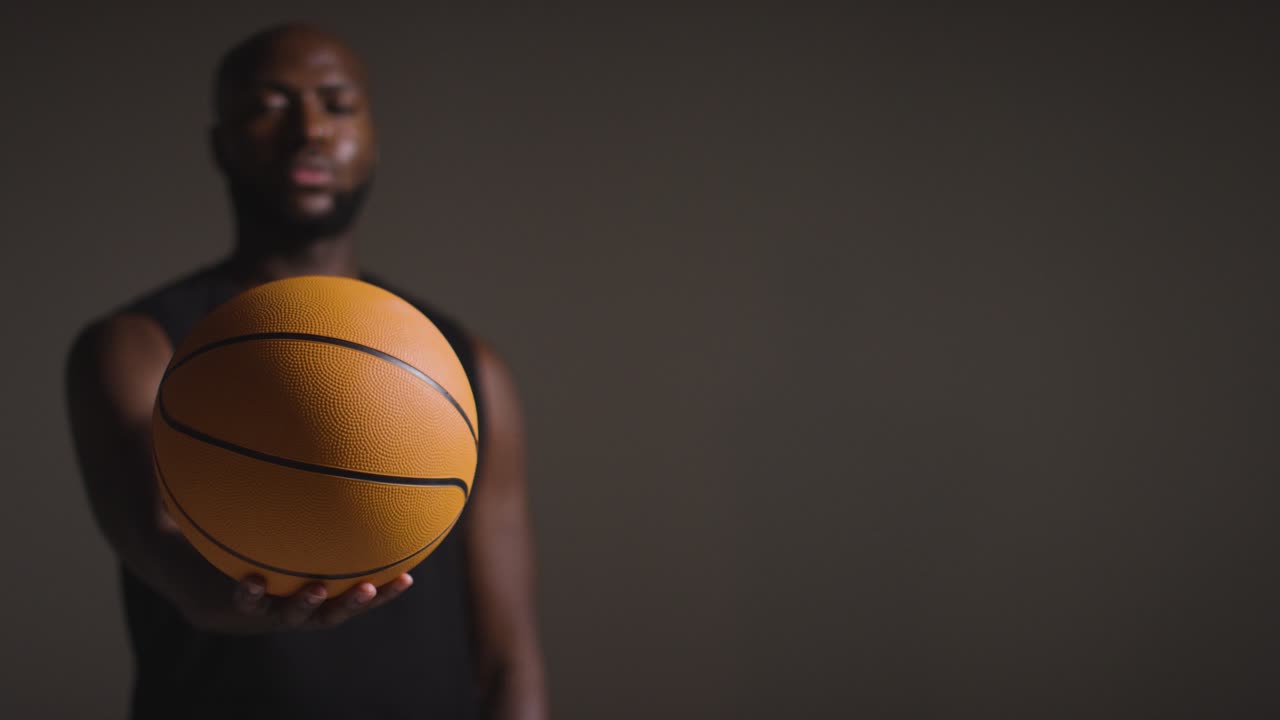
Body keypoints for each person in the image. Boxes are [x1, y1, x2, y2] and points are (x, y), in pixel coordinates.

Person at [64, 23, 548, 720]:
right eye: (270, 105)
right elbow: (172, 563)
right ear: (220, 144)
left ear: (374, 138)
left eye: (337, 105)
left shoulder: (467, 365)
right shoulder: (135, 347)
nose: (310, 131)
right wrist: (253, 600)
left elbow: (510, 658)